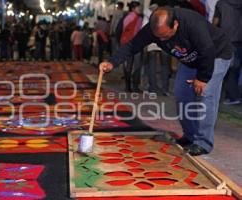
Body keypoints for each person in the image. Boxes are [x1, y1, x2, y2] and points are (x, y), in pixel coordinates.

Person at [100, 6, 233, 156]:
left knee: (205, 94)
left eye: (165, 36)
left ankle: (203, 143)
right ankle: (189, 137)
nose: (162, 40)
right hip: (190, 60)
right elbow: (132, 45)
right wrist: (112, 62)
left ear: (175, 24)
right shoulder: (153, 29)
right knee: (182, 95)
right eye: (159, 38)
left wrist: (202, 79)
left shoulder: (192, 23)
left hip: (216, 55)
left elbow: (207, 50)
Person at [213, 0, 242, 105]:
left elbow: (216, 22)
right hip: (240, 39)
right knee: (236, 68)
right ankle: (235, 95)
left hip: (227, 38)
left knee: (228, 68)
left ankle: (232, 96)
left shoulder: (221, 3)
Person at [118, 1, 143, 92]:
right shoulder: (139, 19)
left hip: (125, 43)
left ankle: (127, 86)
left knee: (127, 65)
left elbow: (122, 30)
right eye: (138, 8)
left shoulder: (125, 18)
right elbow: (138, 32)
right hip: (135, 44)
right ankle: (135, 86)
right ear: (133, 8)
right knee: (137, 65)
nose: (140, 9)